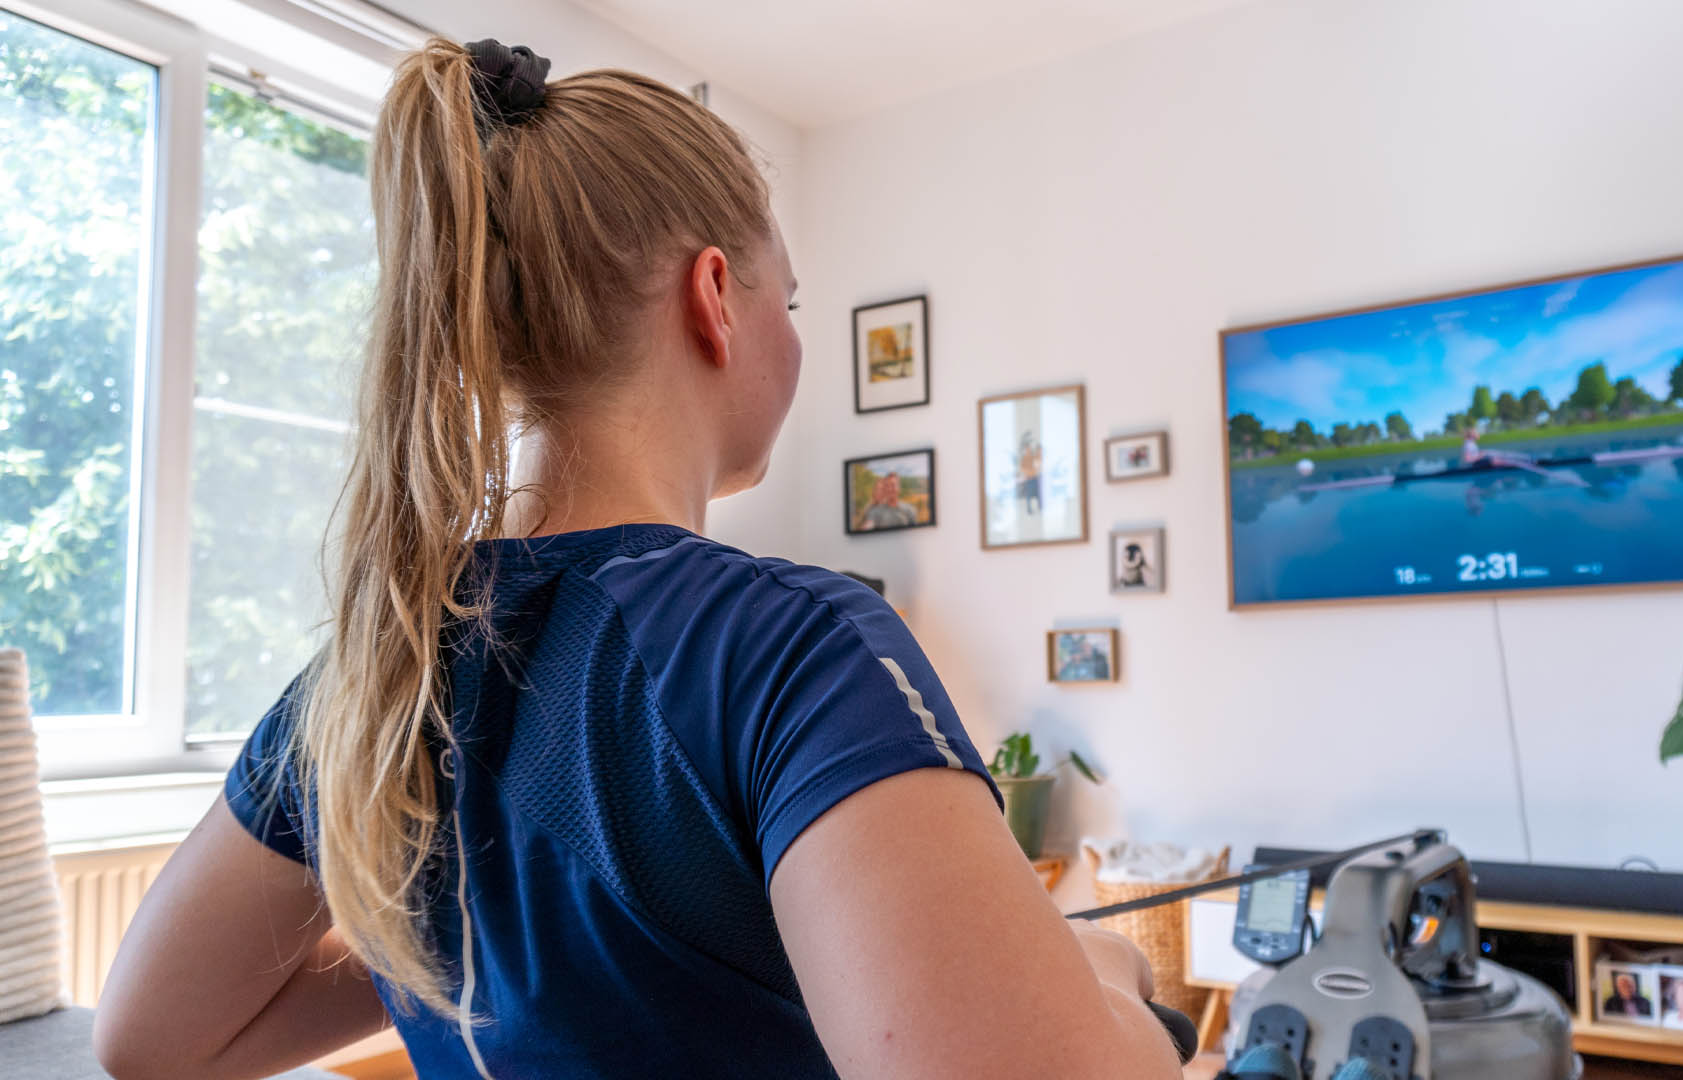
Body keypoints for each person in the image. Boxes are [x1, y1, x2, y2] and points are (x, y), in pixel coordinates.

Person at [91, 38, 1180, 1080]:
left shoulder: (382, 668)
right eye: (786, 300)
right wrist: (1114, 979)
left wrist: (450, 934)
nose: (792, 335)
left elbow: (152, 1035)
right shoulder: (792, 644)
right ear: (714, 299)